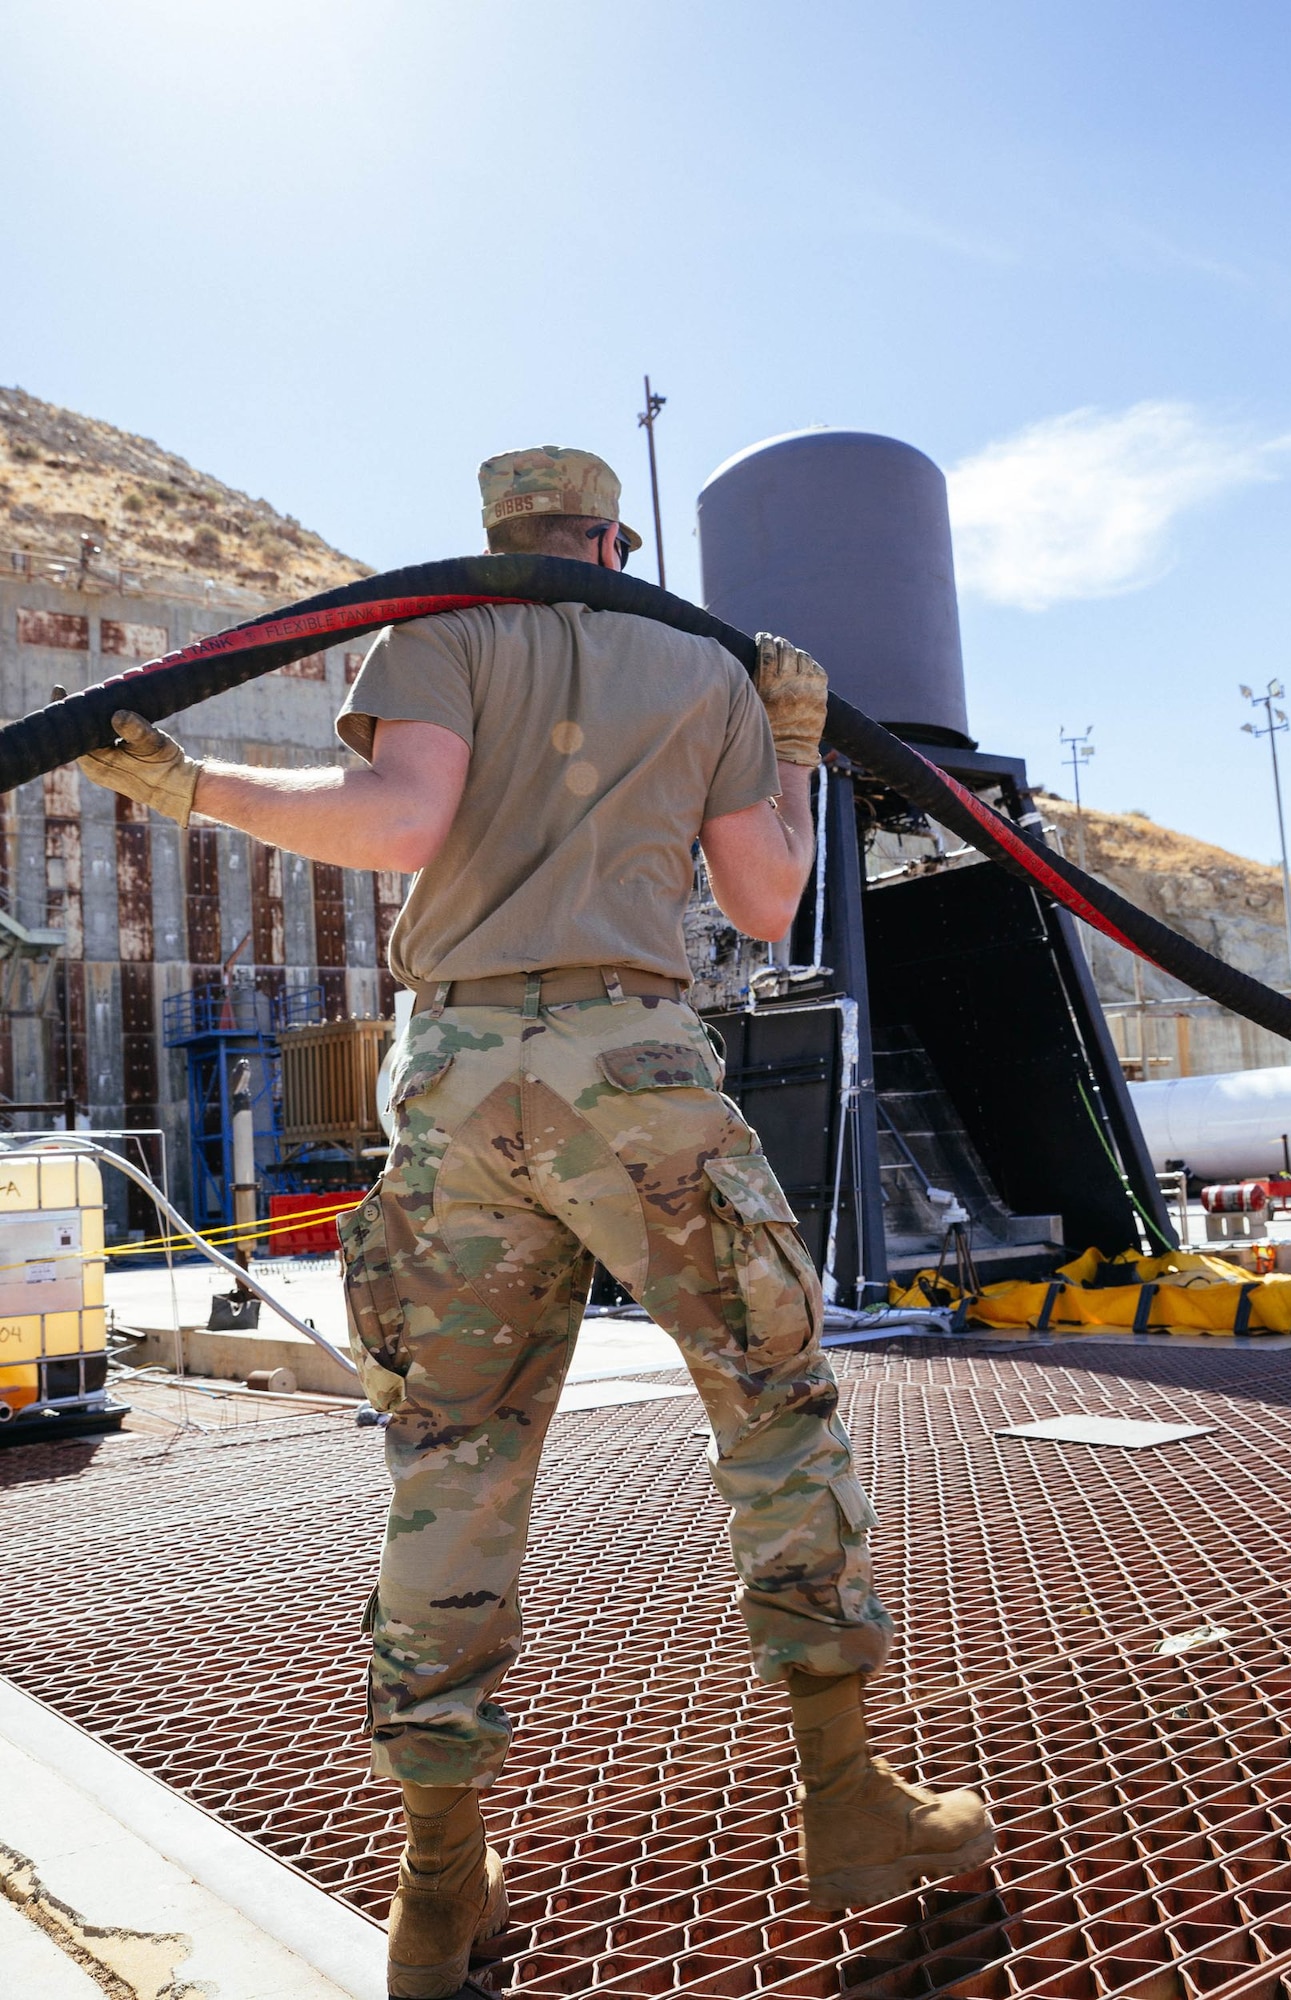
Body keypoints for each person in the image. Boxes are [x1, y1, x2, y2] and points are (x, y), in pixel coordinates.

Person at [77, 444, 994, 1999]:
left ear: (495, 533)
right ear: (614, 538)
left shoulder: (436, 630)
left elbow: (398, 819)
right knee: (774, 1412)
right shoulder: (690, 665)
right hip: (636, 1074)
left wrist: (196, 785)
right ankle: (845, 1805)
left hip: (453, 1082)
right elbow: (767, 903)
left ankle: (438, 1893)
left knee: (452, 1465)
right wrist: (785, 747)